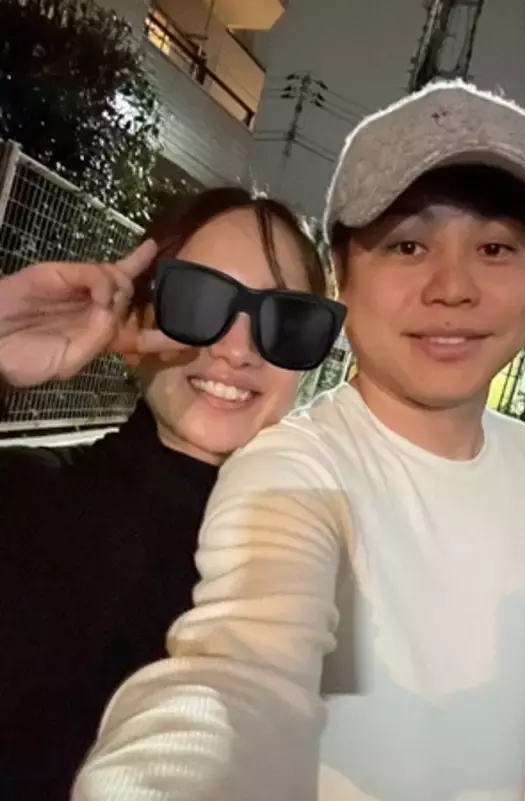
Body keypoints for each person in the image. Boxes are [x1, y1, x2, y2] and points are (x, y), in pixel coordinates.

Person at [72, 80, 525, 801]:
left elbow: (520, 710)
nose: (453, 287)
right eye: (407, 244)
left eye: (495, 247)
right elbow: (240, 674)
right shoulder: (295, 470)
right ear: (343, 275)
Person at [0, 186, 341, 801]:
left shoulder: (313, 583)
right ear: (134, 316)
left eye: (286, 320)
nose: (236, 350)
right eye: (197, 300)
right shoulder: (21, 496)